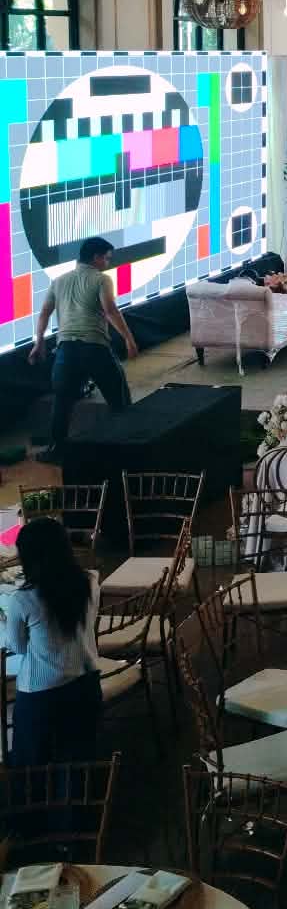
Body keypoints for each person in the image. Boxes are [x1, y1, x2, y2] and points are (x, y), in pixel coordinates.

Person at [1, 516, 101, 764]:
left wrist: (5, 620)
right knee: (78, 759)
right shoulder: (90, 581)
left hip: (41, 697)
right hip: (86, 686)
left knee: (31, 764)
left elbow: (18, 647)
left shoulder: (23, 599)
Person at [30, 236, 137, 456]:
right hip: (94, 348)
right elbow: (110, 310)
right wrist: (128, 338)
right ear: (96, 257)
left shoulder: (58, 281)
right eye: (106, 259)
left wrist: (38, 342)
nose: (107, 263)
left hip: (65, 351)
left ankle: (56, 450)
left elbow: (44, 313)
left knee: (62, 403)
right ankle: (128, 446)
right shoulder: (102, 279)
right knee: (119, 399)